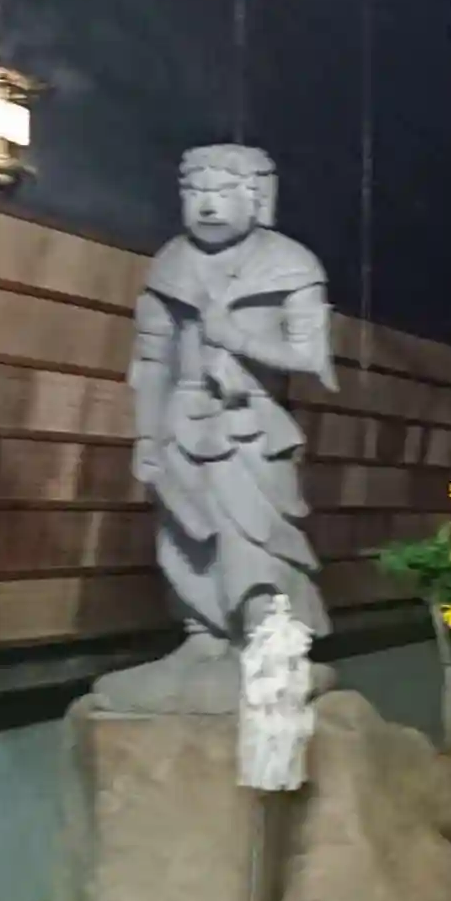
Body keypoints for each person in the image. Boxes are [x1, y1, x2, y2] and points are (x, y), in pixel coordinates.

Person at [92, 145, 336, 714]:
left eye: (223, 192)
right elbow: (151, 360)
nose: (207, 205)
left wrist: (240, 340)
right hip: (182, 419)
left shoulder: (290, 263)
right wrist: (146, 436)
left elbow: (314, 361)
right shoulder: (170, 262)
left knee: (253, 530)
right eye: (196, 192)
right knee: (184, 531)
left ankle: (266, 638)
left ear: (257, 197)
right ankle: (202, 634)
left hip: (251, 423)